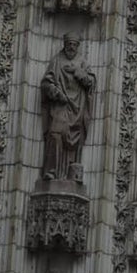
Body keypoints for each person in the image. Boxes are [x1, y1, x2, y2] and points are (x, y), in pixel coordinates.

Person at [40, 33, 94, 181]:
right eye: (69, 43)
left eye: (74, 44)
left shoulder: (83, 63)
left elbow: (91, 82)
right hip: (60, 105)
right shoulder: (56, 61)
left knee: (75, 140)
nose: (71, 47)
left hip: (77, 109)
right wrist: (56, 93)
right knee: (55, 134)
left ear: (78, 46)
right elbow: (45, 83)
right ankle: (52, 170)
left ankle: (71, 173)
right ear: (64, 44)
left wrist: (78, 73)